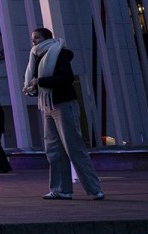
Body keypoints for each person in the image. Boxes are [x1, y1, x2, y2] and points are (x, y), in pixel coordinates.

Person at [24, 27, 104, 201]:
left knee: (73, 147)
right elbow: (39, 81)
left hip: (63, 104)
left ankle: (94, 188)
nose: (33, 41)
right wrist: (32, 87)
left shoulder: (58, 53)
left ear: (46, 38)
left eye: (36, 38)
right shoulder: (37, 57)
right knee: (53, 149)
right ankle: (61, 189)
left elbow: (66, 79)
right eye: (32, 38)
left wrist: (40, 81)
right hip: (47, 104)